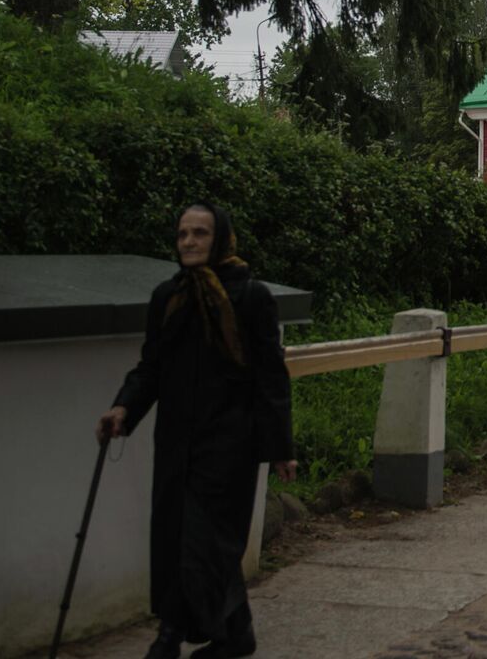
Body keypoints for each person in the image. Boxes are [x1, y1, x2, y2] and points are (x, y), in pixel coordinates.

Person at [97, 204, 297, 659]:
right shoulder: (169, 297)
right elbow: (152, 366)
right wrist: (124, 407)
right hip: (176, 444)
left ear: (220, 238)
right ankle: (236, 634)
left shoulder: (251, 298)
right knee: (178, 541)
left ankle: (169, 636)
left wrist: (280, 448)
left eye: (200, 233)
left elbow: (271, 377)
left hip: (230, 445)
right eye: (183, 233)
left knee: (204, 545)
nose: (188, 241)